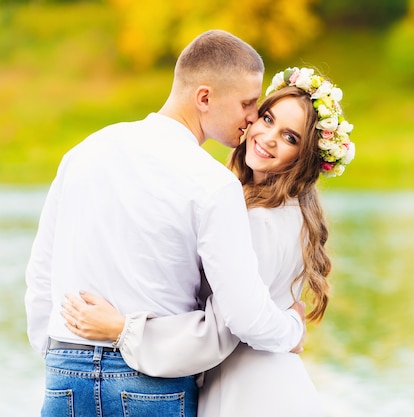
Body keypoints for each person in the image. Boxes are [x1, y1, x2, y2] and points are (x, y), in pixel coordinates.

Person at [24, 31, 306, 417]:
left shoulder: (84, 151)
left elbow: (41, 274)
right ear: (204, 98)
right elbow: (243, 315)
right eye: (247, 103)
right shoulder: (213, 182)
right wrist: (292, 327)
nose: (253, 116)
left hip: (64, 371)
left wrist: (56, 352)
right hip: (150, 384)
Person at [61, 67, 356, 416]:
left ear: (304, 158)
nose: (269, 137)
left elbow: (230, 326)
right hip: (268, 382)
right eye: (267, 118)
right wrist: (290, 329)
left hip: (248, 390)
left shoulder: (258, 219)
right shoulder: (290, 212)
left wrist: (123, 329)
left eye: (291, 137)